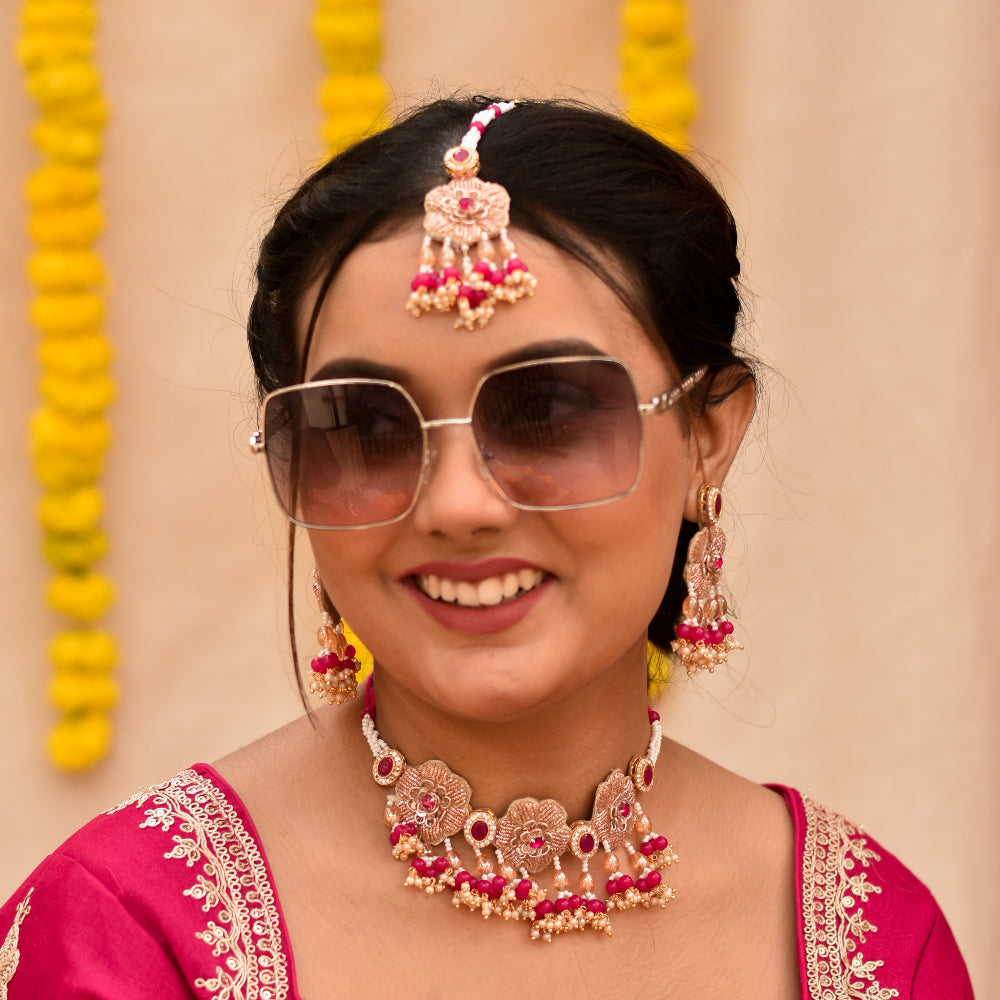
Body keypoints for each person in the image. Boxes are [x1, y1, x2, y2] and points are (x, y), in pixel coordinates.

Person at [0, 97, 973, 999]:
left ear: (708, 437)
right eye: (363, 425)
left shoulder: (867, 945)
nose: (459, 504)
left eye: (547, 409)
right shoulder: (129, 933)